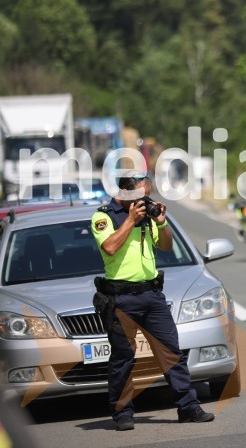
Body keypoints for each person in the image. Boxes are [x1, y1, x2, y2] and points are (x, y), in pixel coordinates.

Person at [91, 170, 214, 431]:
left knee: (171, 354)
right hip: (121, 298)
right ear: (124, 193)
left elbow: (167, 246)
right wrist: (130, 220)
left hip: (152, 295)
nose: (145, 201)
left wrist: (161, 222)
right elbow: (110, 247)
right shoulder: (103, 216)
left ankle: (188, 407)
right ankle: (123, 412)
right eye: (141, 196)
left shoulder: (147, 216)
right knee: (123, 358)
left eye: (148, 196)